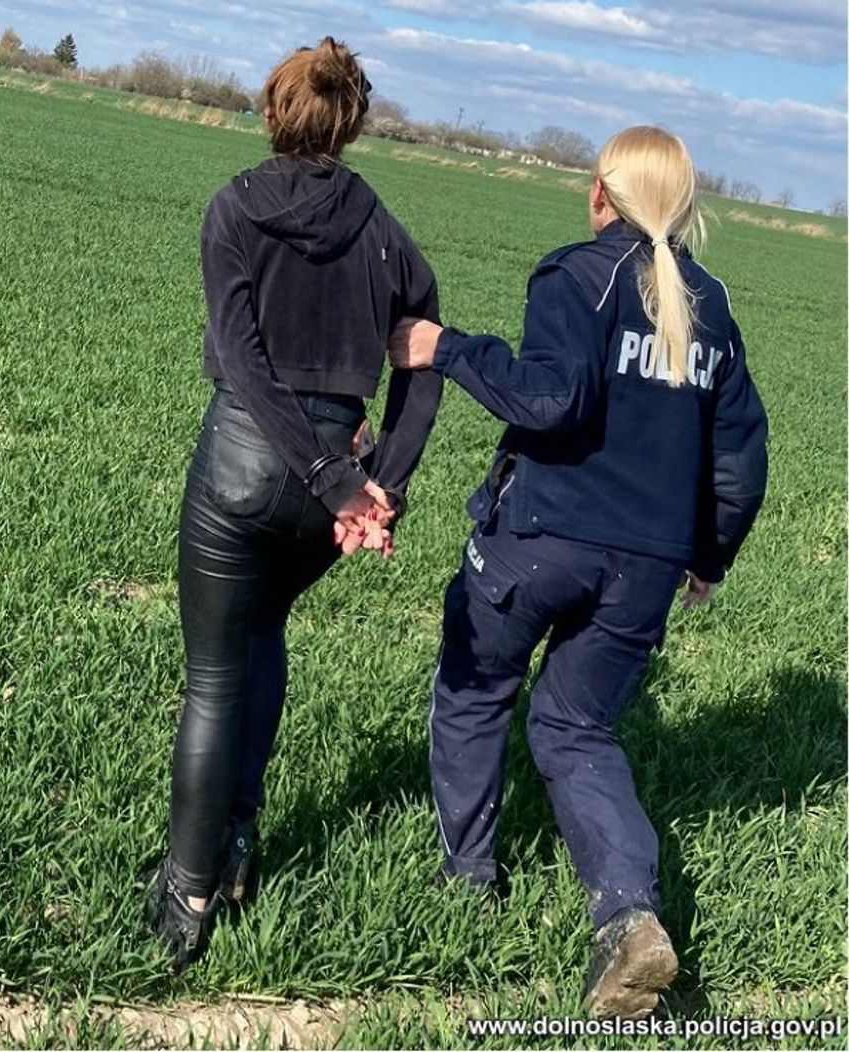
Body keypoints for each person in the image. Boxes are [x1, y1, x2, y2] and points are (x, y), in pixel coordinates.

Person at [388, 126, 768, 1018]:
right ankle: (629, 917)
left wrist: (442, 346)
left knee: (476, 688)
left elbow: (549, 399)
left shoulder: (575, 276)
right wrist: (707, 554)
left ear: (603, 194)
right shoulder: (711, 304)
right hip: (648, 567)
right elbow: (741, 458)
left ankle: (467, 883)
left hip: (542, 538)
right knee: (576, 729)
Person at [150, 36, 443, 968]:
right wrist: (376, 483)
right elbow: (429, 365)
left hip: (244, 464)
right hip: (326, 496)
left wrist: (340, 480)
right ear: (350, 124)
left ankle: (187, 896)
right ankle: (235, 842)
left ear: (274, 113)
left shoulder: (232, 208)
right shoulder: (386, 232)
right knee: (265, 637)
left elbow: (241, 357)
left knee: (212, 678)